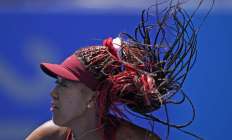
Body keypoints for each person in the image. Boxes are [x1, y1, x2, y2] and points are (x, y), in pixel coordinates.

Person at [26, 0, 211, 139]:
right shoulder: (46, 136)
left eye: (65, 85)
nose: (53, 93)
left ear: (92, 97)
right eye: (57, 82)